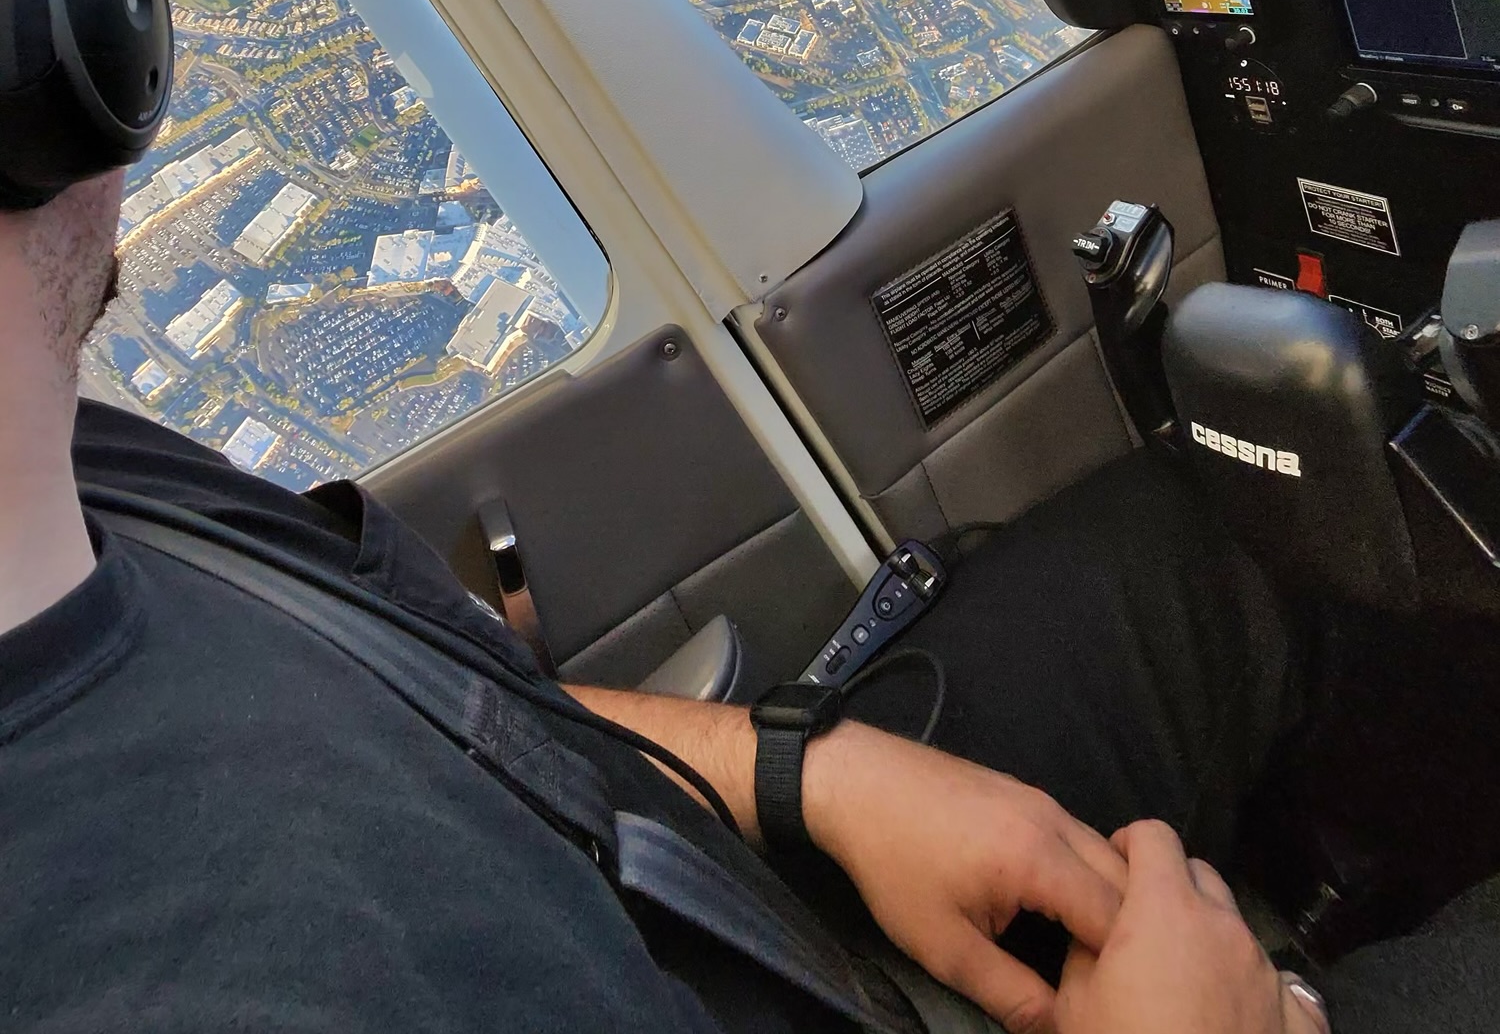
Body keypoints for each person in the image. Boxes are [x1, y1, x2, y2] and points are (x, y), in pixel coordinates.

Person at [0, 167, 1486, 1034]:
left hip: (734, 923)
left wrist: (803, 774)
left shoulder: (87, 471)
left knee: (1208, 538)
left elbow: (442, 682)